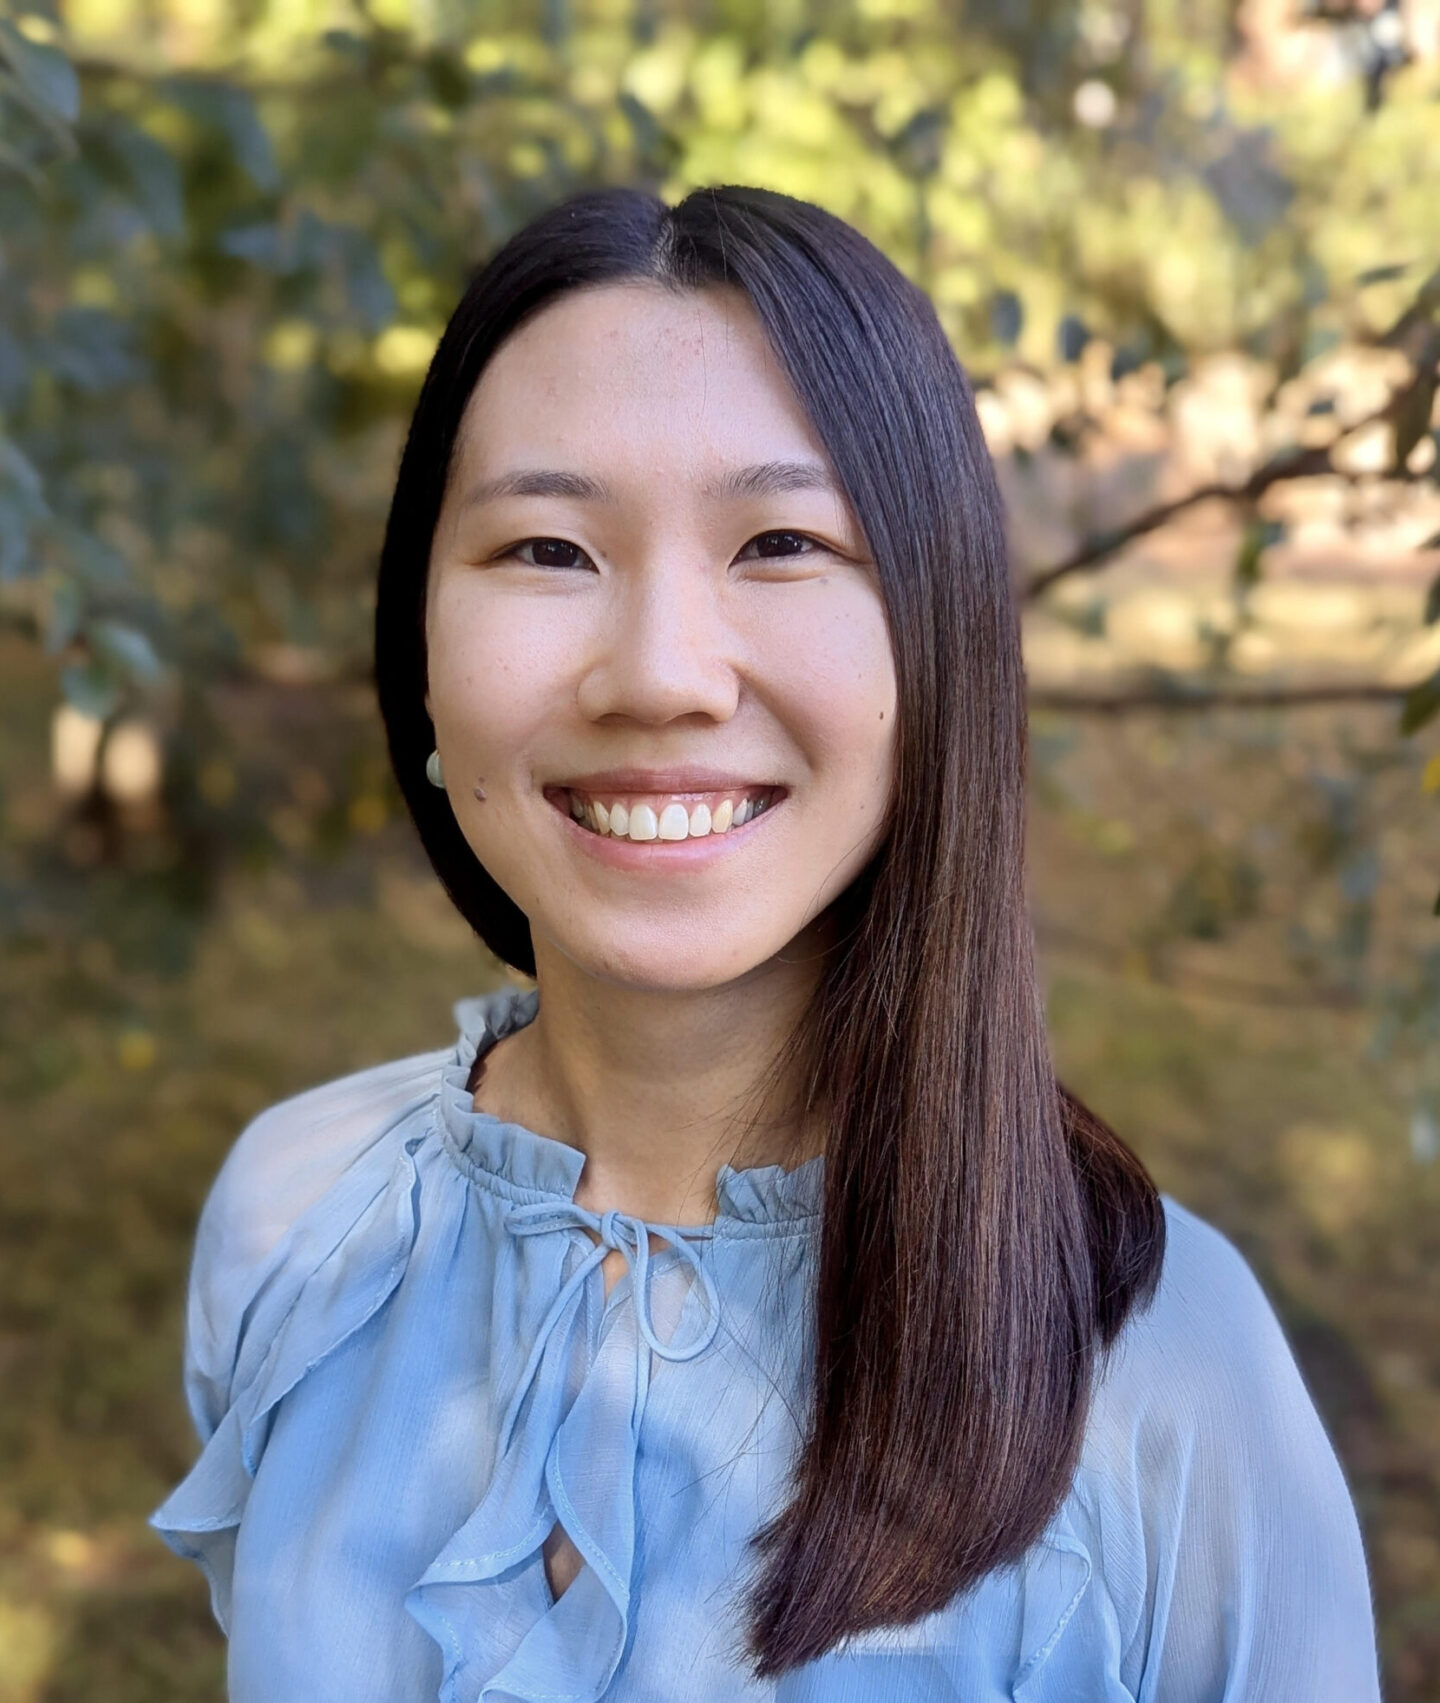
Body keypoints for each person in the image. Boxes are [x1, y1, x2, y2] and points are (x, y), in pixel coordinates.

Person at [150, 185, 1383, 1703]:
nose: (661, 674)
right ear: (419, 653)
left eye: (782, 541)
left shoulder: (1163, 1369)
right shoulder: (296, 1227)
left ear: (935, 647)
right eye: (547, 549)